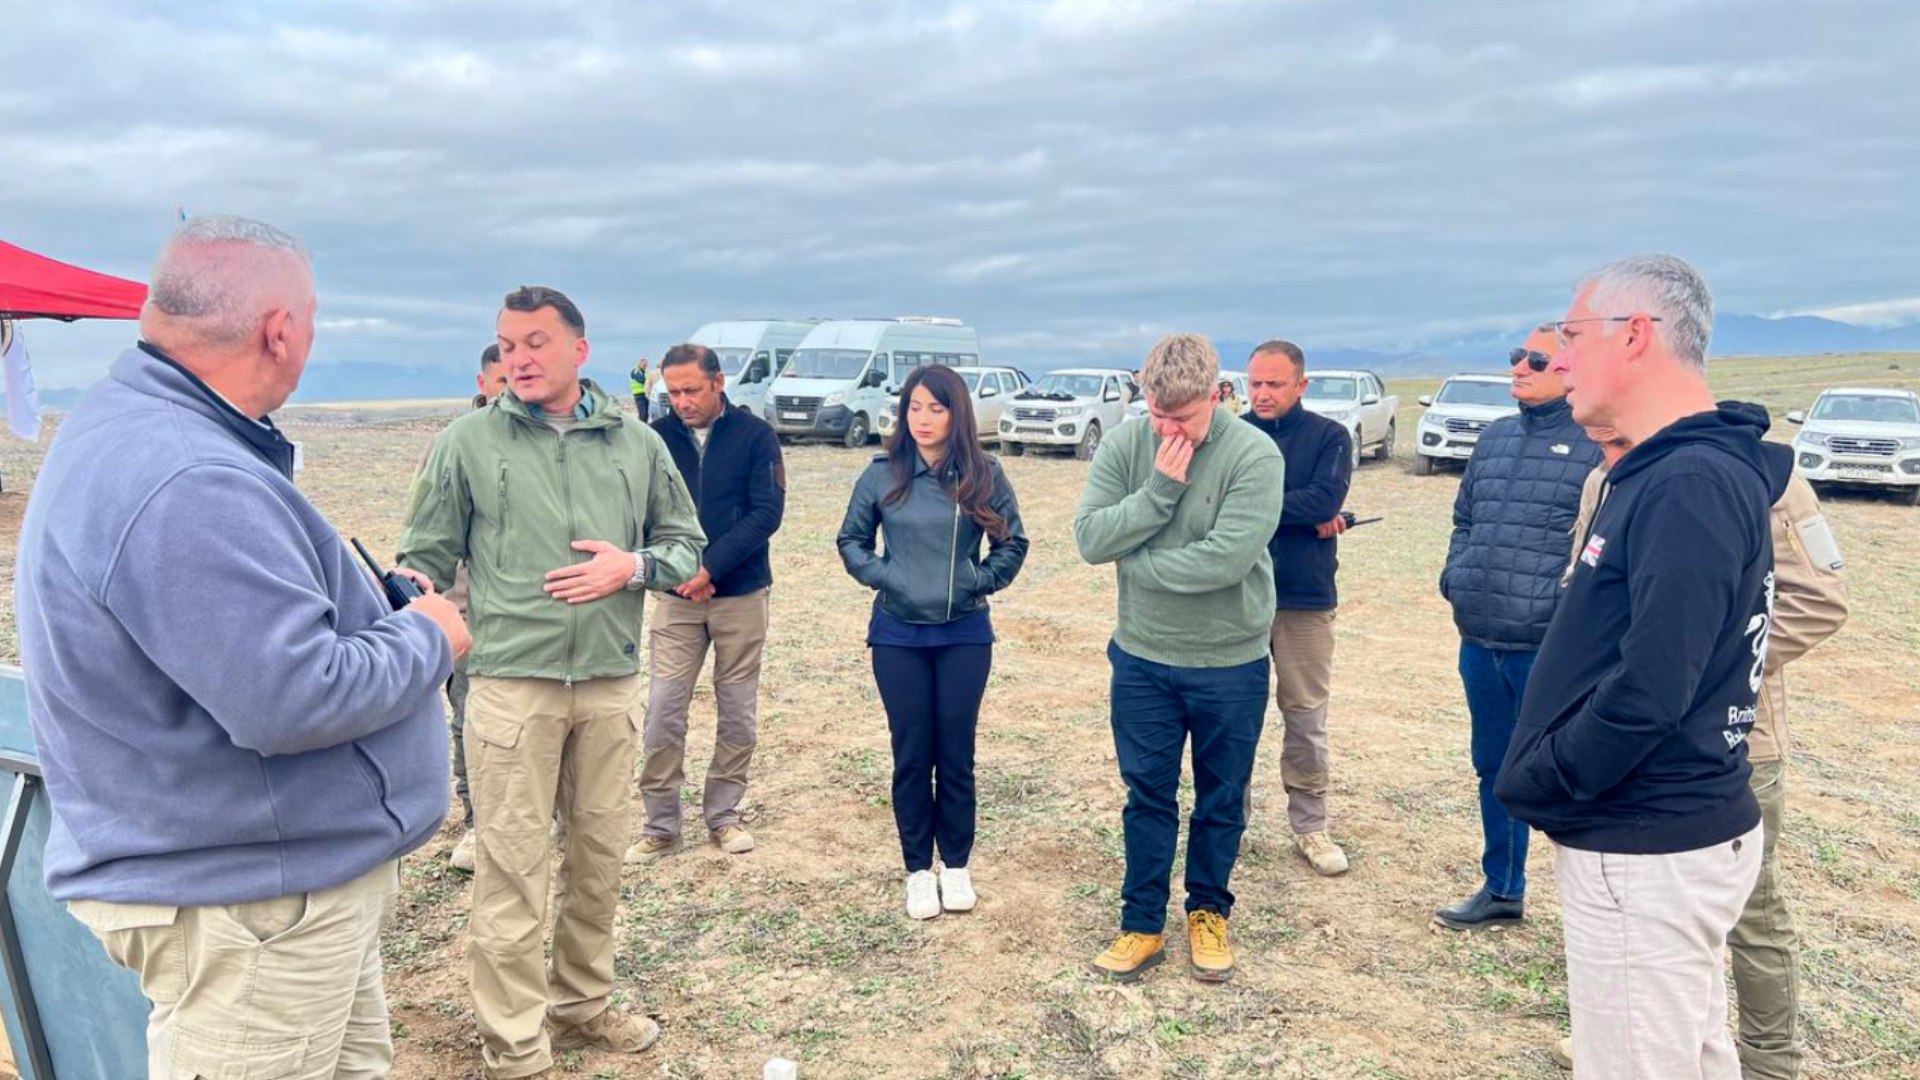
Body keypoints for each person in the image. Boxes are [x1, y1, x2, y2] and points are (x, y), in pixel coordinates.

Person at [15, 215, 471, 1079]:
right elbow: (291, 696)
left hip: (270, 888)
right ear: (281, 331)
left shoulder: (145, 427)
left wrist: (369, 604)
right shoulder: (188, 476)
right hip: (252, 909)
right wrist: (428, 636)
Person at [399, 286, 705, 1080]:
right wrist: (417, 601)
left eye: (536, 342)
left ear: (580, 349)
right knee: (512, 871)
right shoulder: (466, 442)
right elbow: (423, 559)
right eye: (507, 346)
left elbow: (684, 543)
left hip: (608, 683)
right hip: (510, 688)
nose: (519, 359)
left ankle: (582, 1008)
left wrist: (631, 566)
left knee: (599, 860)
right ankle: (515, 1046)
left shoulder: (638, 444)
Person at [1496, 254, 1783, 1080]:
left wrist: (1551, 774)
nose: (1559, 360)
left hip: (1645, 843)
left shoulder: (1689, 481)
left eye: (1572, 335)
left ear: (1635, 335)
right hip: (1663, 837)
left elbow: (1653, 686)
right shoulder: (1669, 469)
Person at [1551, 421, 1848, 1079]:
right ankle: (1648, 1035)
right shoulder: (1608, 473)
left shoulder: (1765, 474)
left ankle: (1770, 1062)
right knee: (1648, 913)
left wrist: (1701, 672)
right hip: (1629, 736)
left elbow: (1819, 601)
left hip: (1734, 740)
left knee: (1752, 915)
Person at [1073, 333, 1285, 983]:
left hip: (1230, 663)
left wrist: (1136, 561)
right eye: (1158, 415)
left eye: (1183, 418)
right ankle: (1141, 924)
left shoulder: (1254, 454)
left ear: (1217, 396)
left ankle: (1208, 913)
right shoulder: (1124, 445)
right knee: (1147, 795)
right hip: (1143, 658)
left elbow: (1225, 560)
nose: (1168, 430)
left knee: (1222, 797)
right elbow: (1091, 538)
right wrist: (1159, 491)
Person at [838, 365, 1028, 919]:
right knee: (912, 754)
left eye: (936, 408)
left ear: (956, 413)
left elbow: (1012, 543)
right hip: (898, 634)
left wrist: (978, 580)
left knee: (957, 753)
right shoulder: (882, 474)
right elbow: (851, 539)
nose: (922, 419)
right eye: (914, 407)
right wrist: (887, 576)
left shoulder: (984, 474)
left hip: (963, 634)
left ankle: (958, 865)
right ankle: (919, 870)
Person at [1432, 328, 1602, 931]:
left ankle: (1596, 909)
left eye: (1535, 359)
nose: (1519, 368)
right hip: (1480, 637)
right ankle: (1503, 888)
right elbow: (1465, 519)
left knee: (1569, 773)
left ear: (1570, 367)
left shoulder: (1595, 443)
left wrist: (1564, 611)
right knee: (1495, 767)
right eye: (1515, 356)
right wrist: (1456, 576)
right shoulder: (1496, 437)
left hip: (1549, 647)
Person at [631, 343, 787, 860]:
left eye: (691, 390)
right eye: (673, 392)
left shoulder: (757, 437)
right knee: (663, 711)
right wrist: (678, 572)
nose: (682, 402)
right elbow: (641, 512)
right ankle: (660, 825)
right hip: (676, 598)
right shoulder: (654, 438)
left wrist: (710, 567)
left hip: (741, 595)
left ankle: (723, 815)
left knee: (737, 713)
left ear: (719, 383)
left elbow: (766, 513)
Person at [1242, 340, 1354, 876]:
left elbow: (1325, 500)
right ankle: (1229, 822)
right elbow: (1210, 502)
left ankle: (1310, 825)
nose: (1262, 393)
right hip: (1235, 594)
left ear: (1301, 385)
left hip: (1304, 599)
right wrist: (1300, 514)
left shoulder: (1330, 437)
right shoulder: (1232, 434)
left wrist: (1254, 508)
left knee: (1306, 717)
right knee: (1233, 716)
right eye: (1255, 383)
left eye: (1275, 383)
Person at [430, 343, 509, 872]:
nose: (510, 392)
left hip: (527, 614)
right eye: (501, 381)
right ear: (483, 384)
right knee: (469, 720)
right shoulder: (452, 446)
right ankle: (478, 823)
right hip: (466, 611)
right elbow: (429, 536)